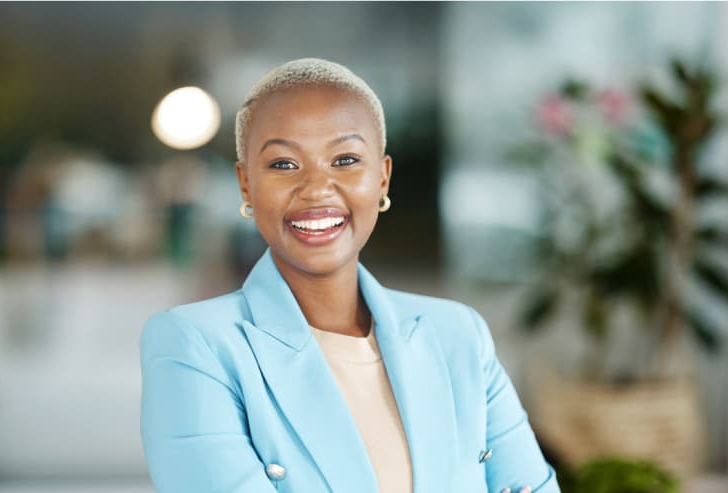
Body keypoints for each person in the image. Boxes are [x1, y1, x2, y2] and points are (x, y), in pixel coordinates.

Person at [140, 58, 559, 493]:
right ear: (246, 185)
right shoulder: (194, 346)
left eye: (345, 159)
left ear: (382, 178)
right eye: (284, 164)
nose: (317, 188)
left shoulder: (459, 336)